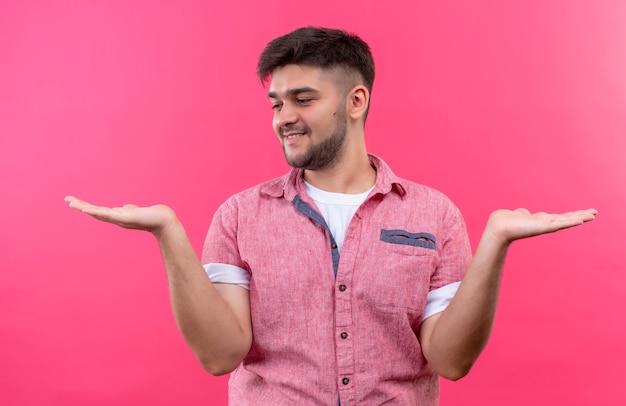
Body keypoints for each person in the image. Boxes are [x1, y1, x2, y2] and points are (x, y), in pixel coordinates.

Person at [65, 27, 597, 405]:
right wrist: (168, 234)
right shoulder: (240, 216)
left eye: (302, 99)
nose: (284, 119)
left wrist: (495, 246)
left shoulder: (434, 214)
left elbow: (450, 361)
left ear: (355, 100)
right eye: (276, 103)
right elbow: (220, 355)